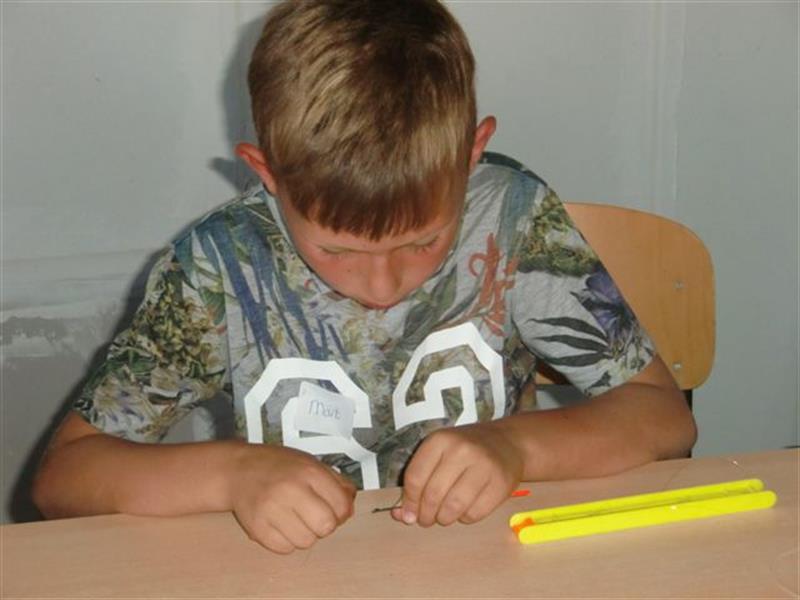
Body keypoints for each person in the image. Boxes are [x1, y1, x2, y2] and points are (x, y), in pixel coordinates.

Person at [32, 0, 696, 554]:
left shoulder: (514, 220)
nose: (382, 286)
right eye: (337, 250)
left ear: (472, 155)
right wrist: (233, 474)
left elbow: (665, 418)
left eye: (424, 241)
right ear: (266, 174)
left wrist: (515, 445)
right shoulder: (217, 267)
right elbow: (64, 477)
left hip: (491, 564)